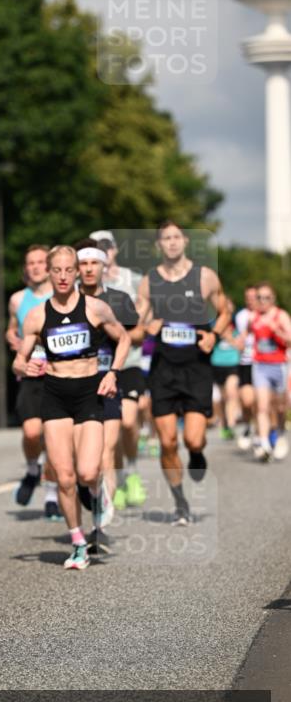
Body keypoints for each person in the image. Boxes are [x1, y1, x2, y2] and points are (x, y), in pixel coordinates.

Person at [12, 246, 129, 571]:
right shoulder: (37, 316)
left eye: (68, 270)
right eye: (57, 271)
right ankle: (78, 541)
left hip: (88, 394)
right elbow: (18, 361)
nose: (63, 276)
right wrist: (25, 368)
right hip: (55, 396)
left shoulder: (95, 308)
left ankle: (98, 493)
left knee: (88, 472)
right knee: (64, 477)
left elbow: (124, 340)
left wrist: (113, 373)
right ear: (50, 274)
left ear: (76, 272)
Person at [137, 220, 230, 525]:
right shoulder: (150, 281)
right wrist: (145, 328)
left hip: (196, 369)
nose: (173, 243)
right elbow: (136, 326)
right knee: (166, 442)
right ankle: (180, 504)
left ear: (185, 242)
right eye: (166, 238)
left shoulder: (204, 277)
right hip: (163, 370)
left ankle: (198, 452)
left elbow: (225, 309)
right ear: (159, 245)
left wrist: (214, 334)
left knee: (192, 439)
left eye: (177, 237)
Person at [75, 238, 142, 551]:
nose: (88, 269)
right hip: (73, 385)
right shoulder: (67, 300)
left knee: (106, 451)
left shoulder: (118, 299)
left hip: (111, 378)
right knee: (81, 461)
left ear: (103, 267)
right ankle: (89, 497)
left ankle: (98, 526)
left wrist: (118, 354)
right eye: (83, 264)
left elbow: (134, 334)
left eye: (93, 264)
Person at [90, 230, 147, 510]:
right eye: (96, 248)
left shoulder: (132, 280)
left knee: (127, 422)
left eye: (107, 246)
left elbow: (142, 325)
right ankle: (118, 478)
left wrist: (121, 335)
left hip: (130, 361)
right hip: (98, 366)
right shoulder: (83, 285)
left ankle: (133, 471)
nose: (103, 251)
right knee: (106, 432)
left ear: (114, 250)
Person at [6, 245, 60, 518]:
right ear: (26, 268)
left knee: (52, 437)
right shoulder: (18, 299)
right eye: (31, 263)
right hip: (29, 372)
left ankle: (51, 496)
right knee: (31, 432)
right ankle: (31, 469)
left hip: (58, 373)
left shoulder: (63, 296)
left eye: (41, 262)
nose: (36, 267)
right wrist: (13, 339)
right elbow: (12, 330)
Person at [248, 283, 291, 462]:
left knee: (280, 407)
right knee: (263, 406)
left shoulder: (281, 316)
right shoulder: (254, 317)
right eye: (259, 297)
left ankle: (279, 433)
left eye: (267, 297)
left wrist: (276, 330)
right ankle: (264, 444)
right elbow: (246, 337)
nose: (263, 301)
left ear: (273, 299)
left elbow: (289, 339)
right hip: (260, 366)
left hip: (279, 365)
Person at [209, 298, 240, 441]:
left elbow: (241, 346)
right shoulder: (213, 324)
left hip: (232, 363)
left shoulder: (237, 325)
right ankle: (224, 424)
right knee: (221, 398)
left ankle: (232, 423)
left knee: (232, 392)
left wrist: (229, 338)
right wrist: (217, 336)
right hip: (217, 363)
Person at [234, 285, 259, 451]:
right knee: (247, 400)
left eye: (254, 297)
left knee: (262, 400)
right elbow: (240, 340)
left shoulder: (266, 314)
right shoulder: (241, 316)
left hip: (262, 362)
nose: (250, 300)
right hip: (246, 362)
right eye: (247, 297)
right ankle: (249, 424)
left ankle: (261, 433)